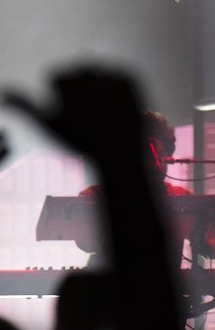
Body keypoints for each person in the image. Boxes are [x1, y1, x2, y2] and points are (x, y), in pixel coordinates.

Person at [76, 109, 192, 270]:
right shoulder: (95, 195)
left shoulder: (180, 196)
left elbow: (210, 246)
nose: (156, 162)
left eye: (161, 154)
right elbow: (84, 242)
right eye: (148, 154)